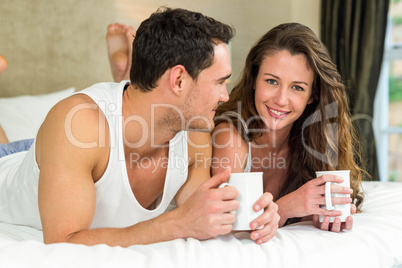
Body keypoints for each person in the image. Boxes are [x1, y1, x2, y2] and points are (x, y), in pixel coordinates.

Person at [0, 7, 279, 247]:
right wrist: (174, 223)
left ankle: (122, 71)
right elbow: (64, 242)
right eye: (219, 82)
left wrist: (260, 214)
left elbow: (206, 213)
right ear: (179, 80)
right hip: (10, 162)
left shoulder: (195, 136)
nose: (225, 96)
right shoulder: (77, 123)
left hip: (62, 155)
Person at [211, 22, 365, 234]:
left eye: (297, 87)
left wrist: (320, 213)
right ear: (254, 79)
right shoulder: (230, 136)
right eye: (272, 81)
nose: (281, 100)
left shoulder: (313, 141)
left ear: (313, 96)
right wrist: (288, 207)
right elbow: (228, 227)